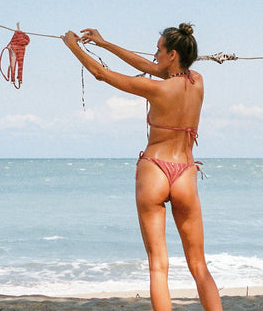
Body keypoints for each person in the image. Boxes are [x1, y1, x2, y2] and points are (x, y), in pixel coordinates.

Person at [62, 24, 223, 311]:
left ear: (172, 54)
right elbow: (148, 66)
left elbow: (102, 74)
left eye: (159, 49)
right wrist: (104, 43)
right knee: (199, 265)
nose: (154, 54)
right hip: (185, 172)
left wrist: (73, 47)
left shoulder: (157, 89)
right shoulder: (197, 81)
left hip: (155, 170)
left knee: (158, 266)